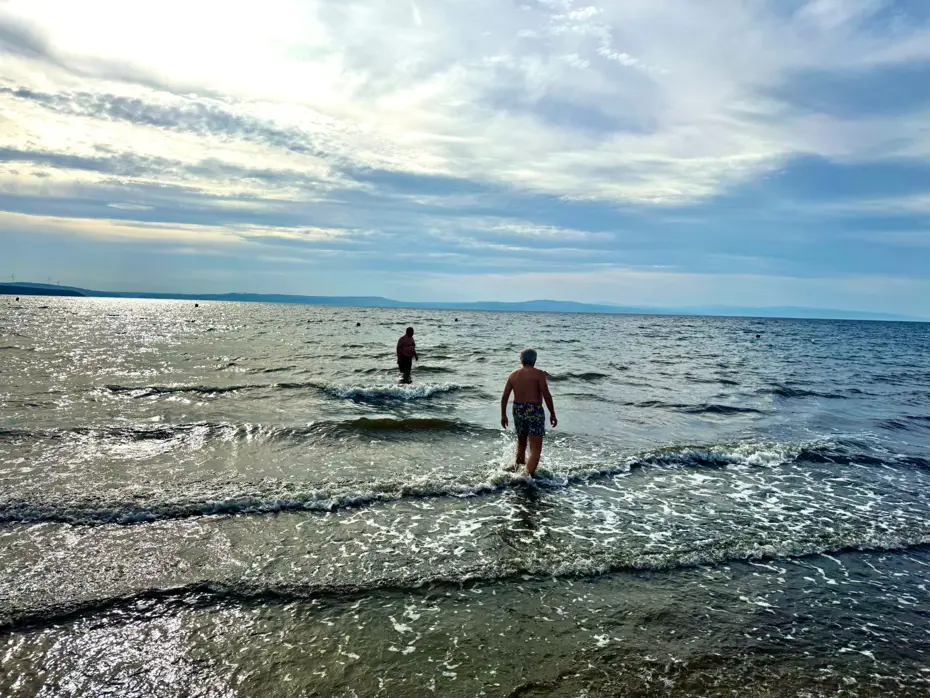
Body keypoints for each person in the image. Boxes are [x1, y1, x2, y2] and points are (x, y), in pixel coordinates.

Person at [500, 349, 557, 476]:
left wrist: (503, 414)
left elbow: (504, 396)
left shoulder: (513, 375)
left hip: (518, 409)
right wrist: (552, 413)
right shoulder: (539, 374)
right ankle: (525, 477)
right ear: (535, 360)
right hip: (534, 410)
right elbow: (546, 395)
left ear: (521, 360)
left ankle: (516, 472)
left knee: (521, 443)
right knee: (535, 449)